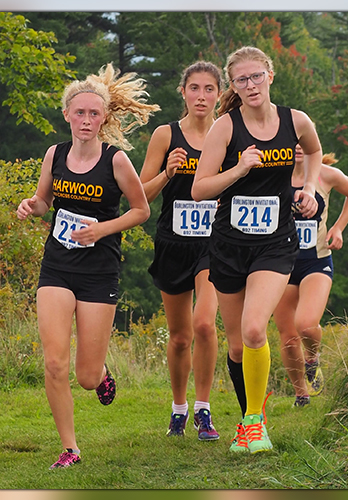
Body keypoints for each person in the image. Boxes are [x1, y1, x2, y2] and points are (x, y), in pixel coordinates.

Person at [16, 63, 156, 469]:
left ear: (105, 118)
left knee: (86, 377)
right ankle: (70, 447)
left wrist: (102, 230)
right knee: (54, 360)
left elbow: (141, 210)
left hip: (99, 271)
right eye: (80, 112)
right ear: (67, 115)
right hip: (57, 267)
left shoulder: (116, 162)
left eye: (95, 113)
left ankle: (102, 371)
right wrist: (32, 205)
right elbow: (45, 202)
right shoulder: (54, 154)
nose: (87, 120)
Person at [192, 46, 323, 454]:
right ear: (233, 85)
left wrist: (310, 190)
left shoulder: (295, 120)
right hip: (230, 245)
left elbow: (315, 152)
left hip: (275, 243)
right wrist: (240, 168)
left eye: (256, 76)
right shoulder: (225, 128)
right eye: (241, 80)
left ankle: (253, 424)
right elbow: (199, 190)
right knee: (236, 344)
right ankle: (253, 413)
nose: (250, 85)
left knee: (253, 330)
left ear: (270, 74)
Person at [139, 61, 223, 440]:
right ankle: (178, 409)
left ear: (219, 93)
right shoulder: (165, 135)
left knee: (205, 323)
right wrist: (168, 173)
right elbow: (141, 198)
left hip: (214, 243)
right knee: (180, 336)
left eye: (208, 88)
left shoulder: (228, 134)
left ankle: (204, 409)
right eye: (194, 88)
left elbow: (243, 184)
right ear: (183, 92)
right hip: (173, 241)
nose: (201, 96)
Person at [272, 148, 348, 407]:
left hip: (316, 261)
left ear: (312, 143)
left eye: (303, 140)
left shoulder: (326, 175)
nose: (298, 146)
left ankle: (312, 358)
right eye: (293, 140)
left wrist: (338, 227)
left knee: (306, 324)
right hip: (277, 263)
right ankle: (301, 394)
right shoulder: (273, 176)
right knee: (287, 336)